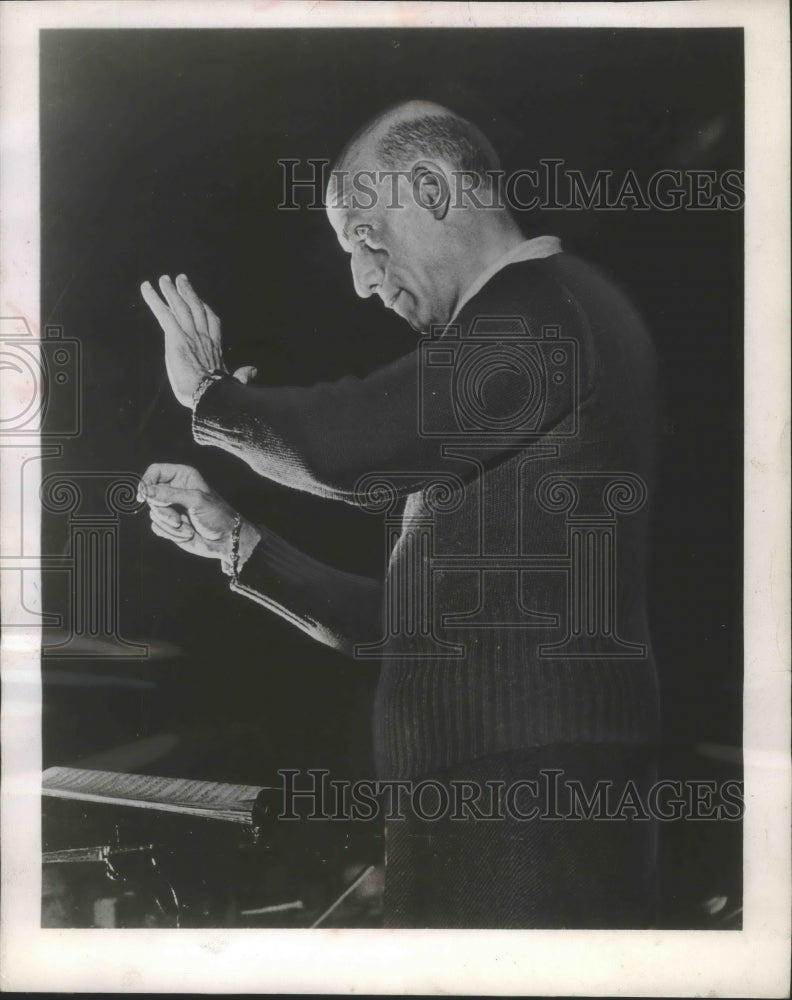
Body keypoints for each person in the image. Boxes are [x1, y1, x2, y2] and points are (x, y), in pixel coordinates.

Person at [139, 101, 660, 928]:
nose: (362, 279)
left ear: (431, 187)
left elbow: (352, 445)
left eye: (366, 236)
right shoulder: (507, 347)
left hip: (522, 806)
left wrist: (210, 395)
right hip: (482, 804)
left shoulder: (547, 307)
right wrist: (235, 541)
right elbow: (400, 625)